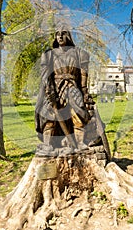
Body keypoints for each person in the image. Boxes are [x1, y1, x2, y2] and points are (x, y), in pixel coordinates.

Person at [35, 26, 93, 155]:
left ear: (69, 36)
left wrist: (84, 91)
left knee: (78, 112)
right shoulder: (50, 54)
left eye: (63, 34)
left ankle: (79, 142)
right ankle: (48, 144)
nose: (60, 36)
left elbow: (83, 74)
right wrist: (49, 90)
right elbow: (45, 74)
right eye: (57, 34)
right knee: (48, 115)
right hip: (54, 87)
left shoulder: (79, 53)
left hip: (72, 86)